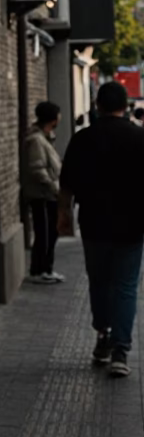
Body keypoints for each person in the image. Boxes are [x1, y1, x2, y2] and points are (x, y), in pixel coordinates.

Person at [59, 80, 144, 377]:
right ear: (125, 106)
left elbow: (66, 184)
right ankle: (120, 351)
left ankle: (103, 334)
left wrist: (63, 217)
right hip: (133, 225)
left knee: (99, 281)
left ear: (98, 105)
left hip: (94, 224)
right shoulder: (140, 137)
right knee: (125, 286)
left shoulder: (83, 138)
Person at [22, 101, 63, 283]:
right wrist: (54, 187)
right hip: (42, 195)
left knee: (50, 233)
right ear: (52, 119)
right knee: (45, 234)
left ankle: (44, 269)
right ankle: (41, 270)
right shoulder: (36, 140)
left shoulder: (44, 138)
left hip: (47, 194)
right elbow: (37, 169)